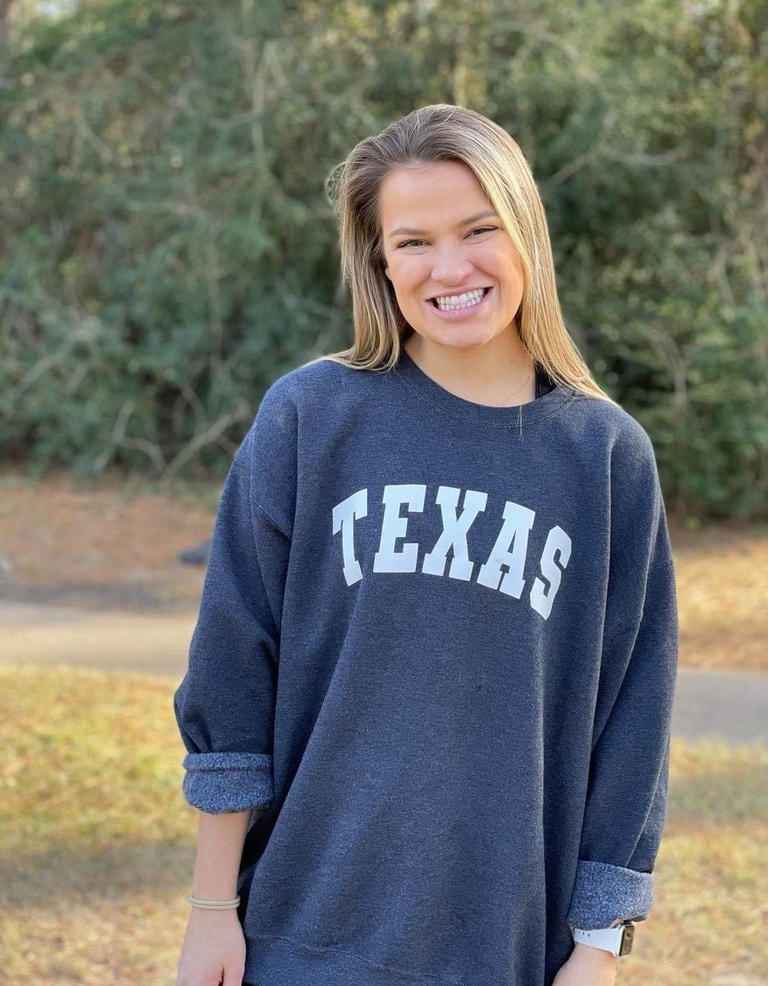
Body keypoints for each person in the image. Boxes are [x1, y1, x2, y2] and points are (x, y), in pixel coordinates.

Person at [173, 104, 679, 986]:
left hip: (506, 952)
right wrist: (213, 910)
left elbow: (631, 726)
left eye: (478, 230)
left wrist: (599, 949)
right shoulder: (311, 418)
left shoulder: (604, 459)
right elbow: (232, 673)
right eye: (412, 241)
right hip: (299, 940)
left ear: (525, 232)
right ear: (379, 260)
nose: (450, 268)